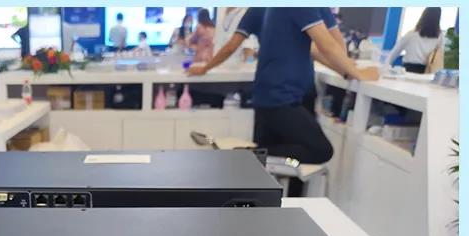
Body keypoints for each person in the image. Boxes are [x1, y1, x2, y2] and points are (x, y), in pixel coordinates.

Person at [189, 8, 378, 172]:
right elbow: (327, 46)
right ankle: (246, 155)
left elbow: (315, 49)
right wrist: (358, 73)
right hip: (283, 96)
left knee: (269, 164)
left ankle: (252, 158)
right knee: (320, 150)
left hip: (270, 94)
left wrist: (346, 71)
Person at [385, 8, 442, 73]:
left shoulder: (411, 34)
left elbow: (395, 52)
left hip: (407, 70)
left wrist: (385, 67)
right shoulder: (439, 37)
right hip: (426, 72)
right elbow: (441, 56)